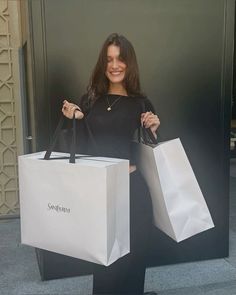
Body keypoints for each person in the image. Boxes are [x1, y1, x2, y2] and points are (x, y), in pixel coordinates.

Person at [62, 33, 160, 295]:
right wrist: (77, 119)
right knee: (106, 269)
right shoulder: (89, 101)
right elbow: (81, 150)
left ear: (130, 63)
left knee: (133, 265)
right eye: (109, 59)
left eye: (120, 59)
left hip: (133, 193)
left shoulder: (141, 103)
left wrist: (153, 129)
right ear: (102, 64)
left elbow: (148, 152)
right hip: (100, 194)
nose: (114, 65)